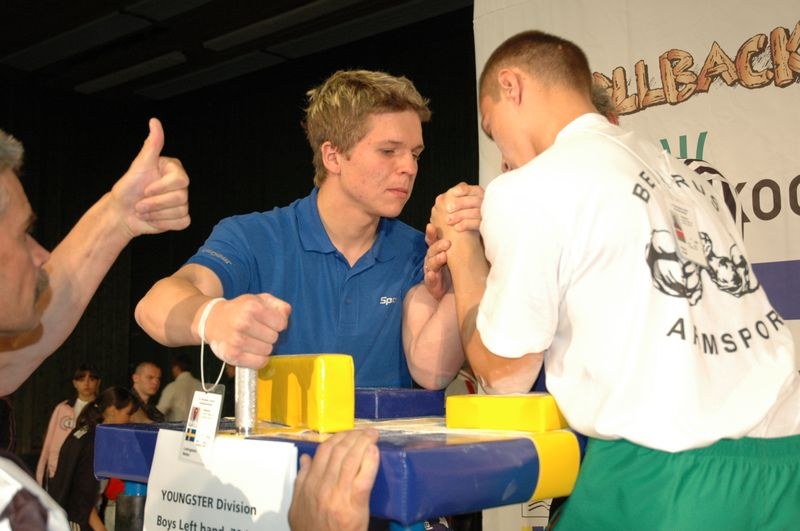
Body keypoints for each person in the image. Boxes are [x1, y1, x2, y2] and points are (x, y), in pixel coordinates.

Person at [428, 30, 800, 529]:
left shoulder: (529, 187)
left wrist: (463, 249)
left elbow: (505, 374)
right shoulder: (689, 178)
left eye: (495, 132)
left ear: (511, 85)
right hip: (783, 464)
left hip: (667, 473)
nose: (505, 159)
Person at [134, 69, 467, 390]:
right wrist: (213, 317)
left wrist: (460, 274)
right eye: (388, 151)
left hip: (383, 447)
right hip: (283, 447)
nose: (409, 167)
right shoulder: (254, 238)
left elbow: (433, 373)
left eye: (415, 154)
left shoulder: (416, 252)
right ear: (333, 156)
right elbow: (153, 307)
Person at [0, 119, 190, 529]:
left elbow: (17, 350)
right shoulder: (17, 511)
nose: (39, 255)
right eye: (21, 235)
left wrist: (120, 216)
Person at [47, 387, 140, 531]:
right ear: (112, 411)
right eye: (129, 414)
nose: (132, 419)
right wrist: (100, 528)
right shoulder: (93, 442)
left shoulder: (84, 432)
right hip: (77, 520)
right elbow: (82, 495)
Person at [36, 363, 101, 486]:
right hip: (59, 469)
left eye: (91, 379)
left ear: (98, 382)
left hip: (88, 470)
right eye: (81, 379)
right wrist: (41, 474)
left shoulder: (102, 410)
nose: (86, 383)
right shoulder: (63, 408)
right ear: (75, 383)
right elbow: (49, 442)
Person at [156, 353, 202, 421]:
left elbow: (159, 412)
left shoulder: (172, 387)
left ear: (176, 368)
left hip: (175, 430)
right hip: (196, 429)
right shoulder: (200, 385)